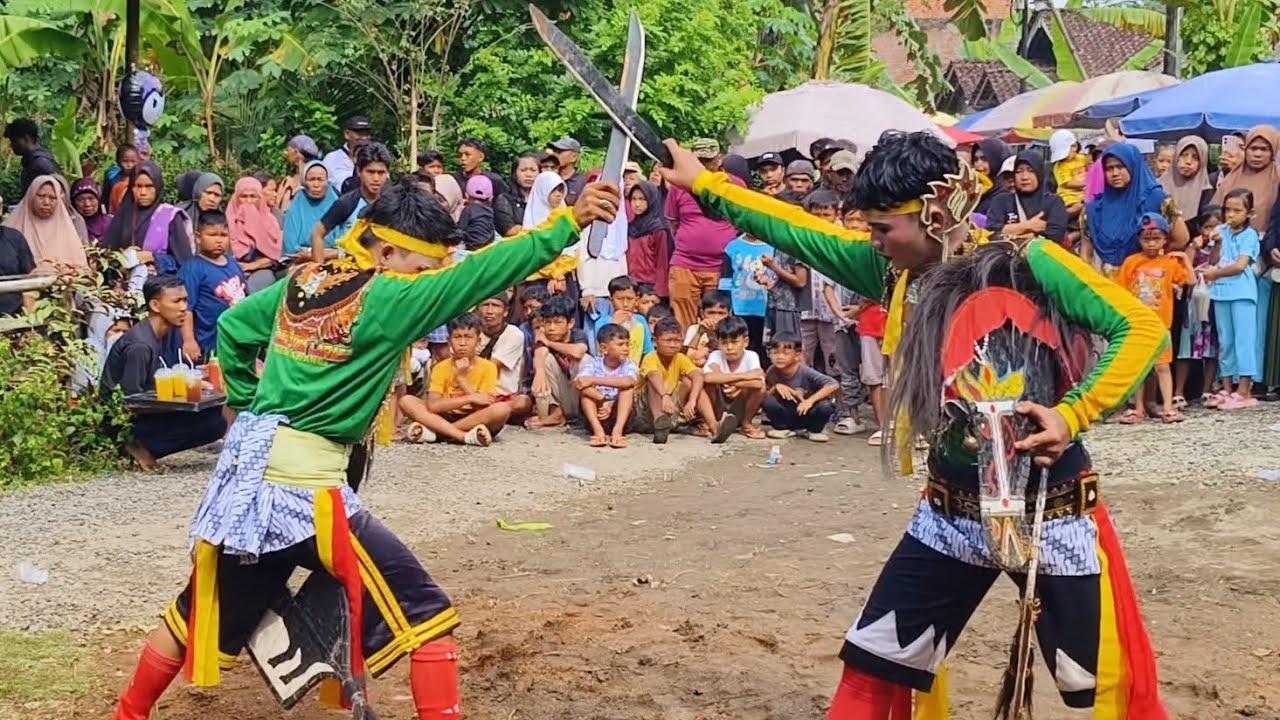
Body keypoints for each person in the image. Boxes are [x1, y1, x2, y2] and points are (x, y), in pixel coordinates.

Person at [658, 130, 1169, 718]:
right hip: (950, 514)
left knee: (1101, 688)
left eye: (883, 228)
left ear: (936, 211)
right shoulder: (892, 273)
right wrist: (706, 184)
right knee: (876, 669)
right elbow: (798, 230)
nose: (872, 243)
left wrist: (1072, 411)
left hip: (1049, 512)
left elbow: (1140, 327)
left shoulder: (1029, 263)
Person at [109, 175, 621, 720]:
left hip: (253, 488)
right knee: (424, 613)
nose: (425, 282)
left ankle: (126, 715)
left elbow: (234, 327)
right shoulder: (388, 297)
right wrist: (567, 223)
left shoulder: (304, 279)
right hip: (310, 497)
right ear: (389, 250)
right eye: (421, 269)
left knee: (194, 612)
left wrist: (251, 400)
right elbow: (479, 275)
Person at [98, 275, 228, 470]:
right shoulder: (140, 346)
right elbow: (129, 402)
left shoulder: (163, 333)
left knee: (216, 413)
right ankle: (135, 448)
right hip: (123, 423)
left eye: (185, 300)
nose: (183, 307)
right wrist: (181, 399)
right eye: (176, 301)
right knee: (213, 424)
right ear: (155, 306)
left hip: (145, 411)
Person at [1210, 126, 1280, 397]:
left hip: (1262, 262)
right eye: (1253, 148)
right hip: (1230, 259)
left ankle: (1254, 381)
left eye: (1265, 149)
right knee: (1229, 330)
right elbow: (1216, 213)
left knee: (1256, 325)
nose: (1258, 154)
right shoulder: (1231, 179)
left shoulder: (1276, 179)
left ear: (1273, 152)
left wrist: (1271, 245)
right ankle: (1230, 382)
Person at [1114, 213, 1193, 423]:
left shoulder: (1169, 263)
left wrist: (1185, 258)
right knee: (1140, 369)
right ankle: (1138, 408)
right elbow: (1120, 292)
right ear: (1139, 239)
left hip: (1161, 325)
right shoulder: (1131, 262)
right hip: (1138, 325)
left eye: (1156, 238)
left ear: (1165, 239)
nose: (1151, 243)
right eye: (1146, 239)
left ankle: (1168, 408)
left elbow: (1190, 281)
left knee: (1163, 367)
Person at [666, 139, 744, 328]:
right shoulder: (679, 185)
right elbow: (672, 222)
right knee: (682, 322)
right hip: (685, 264)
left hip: (720, 267)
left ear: (719, 160)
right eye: (699, 161)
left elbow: (742, 221)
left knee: (719, 323)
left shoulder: (735, 185)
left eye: (708, 161)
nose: (704, 166)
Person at [401, 313, 511, 446]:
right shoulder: (441, 367)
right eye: (457, 337)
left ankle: (439, 433)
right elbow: (434, 406)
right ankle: (461, 436)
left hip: (475, 417)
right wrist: (468, 398)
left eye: (468, 337)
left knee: (502, 409)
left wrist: (462, 379)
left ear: (478, 341)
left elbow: (483, 404)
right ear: (449, 341)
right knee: (406, 401)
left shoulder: (488, 367)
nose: (463, 343)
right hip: (444, 415)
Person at [1083, 143, 1189, 275]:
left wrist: (1153, 253)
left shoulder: (1156, 199)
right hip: (1105, 286)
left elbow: (1182, 238)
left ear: (1133, 166)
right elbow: (1085, 255)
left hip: (1145, 283)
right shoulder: (1094, 209)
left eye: (1121, 166)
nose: (1115, 173)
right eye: (1109, 168)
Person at [1204, 188, 1261, 409]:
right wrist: (1217, 242)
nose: (1231, 215)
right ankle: (1227, 387)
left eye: (1238, 210)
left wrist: (1214, 274)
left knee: (1243, 340)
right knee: (1226, 340)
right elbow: (1214, 258)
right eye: (1228, 209)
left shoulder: (1250, 235)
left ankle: (1244, 389)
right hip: (1221, 292)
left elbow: (1239, 265)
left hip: (1242, 292)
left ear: (1249, 213)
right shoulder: (1221, 230)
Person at [176, 209, 247, 362]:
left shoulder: (233, 264)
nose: (219, 240)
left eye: (223, 235)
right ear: (198, 237)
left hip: (236, 339)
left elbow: (246, 299)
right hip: (207, 343)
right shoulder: (193, 269)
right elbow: (186, 309)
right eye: (212, 235)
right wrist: (189, 340)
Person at [102, 162, 194, 276]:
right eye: (138, 186)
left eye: (149, 186)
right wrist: (120, 264)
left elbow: (185, 263)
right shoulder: (123, 216)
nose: (143, 193)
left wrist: (151, 257)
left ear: (158, 187)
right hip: (122, 288)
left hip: (160, 287)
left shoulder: (169, 217)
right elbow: (105, 256)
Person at [636, 316, 716, 443]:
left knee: (693, 382)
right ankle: (659, 425)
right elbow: (653, 375)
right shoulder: (650, 358)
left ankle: (715, 428)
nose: (673, 345)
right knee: (652, 384)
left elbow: (698, 375)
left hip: (670, 409)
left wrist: (692, 400)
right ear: (655, 341)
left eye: (677, 341)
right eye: (668, 340)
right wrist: (664, 395)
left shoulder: (680, 358)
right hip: (644, 413)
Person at [1174, 205, 1222, 406]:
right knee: (1186, 346)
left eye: (1216, 227)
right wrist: (1193, 247)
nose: (1211, 232)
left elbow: (1215, 261)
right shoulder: (1193, 247)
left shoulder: (1223, 246)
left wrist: (1218, 244)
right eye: (1207, 227)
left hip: (1213, 299)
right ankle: (1179, 391)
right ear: (1200, 229)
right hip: (1193, 301)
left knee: (1212, 346)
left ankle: (1207, 389)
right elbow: (1186, 270)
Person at [311, 142, 392, 260]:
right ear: (359, 171)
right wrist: (318, 268)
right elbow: (317, 233)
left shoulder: (393, 202)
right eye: (370, 172)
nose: (376, 178)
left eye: (381, 173)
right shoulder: (347, 202)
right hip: (350, 269)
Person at [3, 175, 89, 273]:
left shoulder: (68, 231)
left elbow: (83, 271)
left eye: (53, 198)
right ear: (31, 196)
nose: (46, 202)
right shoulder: (9, 231)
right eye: (41, 196)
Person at [763, 332, 838, 442]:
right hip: (787, 412)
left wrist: (810, 401)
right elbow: (764, 398)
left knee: (826, 406)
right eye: (775, 353)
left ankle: (813, 430)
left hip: (807, 412)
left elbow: (833, 384)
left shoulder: (805, 371)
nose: (779, 357)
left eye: (785, 353)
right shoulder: (771, 371)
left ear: (797, 356)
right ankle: (782, 428)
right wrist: (775, 388)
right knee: (770, 403)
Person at [528, 295, 589, 429]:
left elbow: (577, 352)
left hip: (579, 396)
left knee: (584, 360)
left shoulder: (578, 335)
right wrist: (539, 373)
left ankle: (582, 414)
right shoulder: (542, 335)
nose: (551, 328)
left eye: (557, 322)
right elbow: (540, 352)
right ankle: (554, 413)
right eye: (548, 322)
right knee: (544, 360)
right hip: (561, 397)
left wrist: (549, 342)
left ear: (570, 323)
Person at [701, 314, 766, 441]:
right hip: (719, 405)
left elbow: (759, 384)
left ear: (745, 342)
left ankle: (746, 423)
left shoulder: (751, 356)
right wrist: (745, 377)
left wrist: (731, 382)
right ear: (718, 344)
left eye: (734, 342)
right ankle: (713, 423)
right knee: (705, 386)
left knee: (761, 389)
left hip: (739, 405)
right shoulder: (715, 355)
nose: (729, 348)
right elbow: (708, 378)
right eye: (724, 343)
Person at [576, 323, 638, 449]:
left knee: (627, 389)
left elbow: (629, 382)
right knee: (585, 392)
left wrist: (594, 380)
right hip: (597, 412)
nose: (626, 348)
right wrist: (603, 399)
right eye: (620, 344)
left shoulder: (629, 365)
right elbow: (580, 382)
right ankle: (598, 431)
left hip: (619, 415)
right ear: (604, 348)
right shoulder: (594, 363)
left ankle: (617, 432)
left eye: (627, 344)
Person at [987, 152, 1069, 245]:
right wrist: (1028, 226)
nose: (1024, 177)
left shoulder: (1053, 202)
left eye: (1031, 171)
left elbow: (1055, 237)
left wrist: (1010, 232)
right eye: (1019, 171)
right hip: (1005, 257)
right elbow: (991, 233)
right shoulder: (1001, 201)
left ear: (1039, 173)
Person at [476, 294, 532, 420]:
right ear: (478, 309)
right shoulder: (471, 331)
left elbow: (491, 367)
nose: (489, 311)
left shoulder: (514, 334)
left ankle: (489, 414)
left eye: (495, 306)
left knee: (522, 402)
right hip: (473, 392)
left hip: (502, 396)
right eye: (485, 305)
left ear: (505, 312)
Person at [226, 177, 284, 294]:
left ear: (260, 198)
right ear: (236, 198)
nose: (248, 201)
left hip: (262, 269)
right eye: (244, 196)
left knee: (260, 284)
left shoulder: (270, 221)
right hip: (229, 268)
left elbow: (275, 256)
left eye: (253, 196)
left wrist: (252, 266)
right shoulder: (226, 221)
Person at [626, 181, 672, 301]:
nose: (637, 204)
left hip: (651, 287)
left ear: (651, 200)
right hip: (631, 284)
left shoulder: (658, 229)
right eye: (634, 199)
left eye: (642, 199)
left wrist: (660, 292)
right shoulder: (629, 227)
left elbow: (662, 263)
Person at [1160, 136, 1215, 235]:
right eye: (1184, 155)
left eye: (1195, 157)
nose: (1188, 161)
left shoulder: (1207, 193)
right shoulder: (1158, 186)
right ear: (1176, 157)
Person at [592, 275, 653, 363]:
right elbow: (599, 352)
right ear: (611, 300)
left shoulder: (640, 321)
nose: (625, 304)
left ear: (637, 300)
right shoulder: (602, 323)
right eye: (620, 299)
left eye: (630, 299)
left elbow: (648, 351)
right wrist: (613, 325)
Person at [283, 161, 338, 256]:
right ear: (304, 183)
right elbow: (290, 246)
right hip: (301, 261)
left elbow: (345, 245)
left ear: (327, 182)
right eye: (312, 179)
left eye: (320, 180)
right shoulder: (297, 204)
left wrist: (322, 254)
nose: (316, 185)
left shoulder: (338, 203)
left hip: (334, 260)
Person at [4, 118, 60, 198]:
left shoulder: (41, 164)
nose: (12, 145)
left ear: (26, 139)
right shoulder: (32, 161)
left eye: (14, 141)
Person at [322, 115, 372, 192]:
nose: (364, 138)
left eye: (366, 134)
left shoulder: (375, 158)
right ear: (347, 134)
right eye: (360, 133)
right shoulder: (331, 158)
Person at [495, 153, 540, 237]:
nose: (529, 175)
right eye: (523, 170)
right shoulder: (504, 199)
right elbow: (508, 230)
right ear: (515, 173)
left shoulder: (545, 199)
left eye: (533, 170)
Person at [684, 290, 731, 368]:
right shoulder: (694, 329)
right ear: (702, 313)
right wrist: (699, 333)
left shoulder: (732, 330)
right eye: (711, 313)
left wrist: (712, 336)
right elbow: (686, 356)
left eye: (721, 313)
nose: (716, 318)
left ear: (729, 314)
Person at [0, 218, 35, 316]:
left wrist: (30, 324)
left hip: (13, 315)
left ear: (0, 209)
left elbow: (28, 280)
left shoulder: (15, 238)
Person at [278, 135, 321, 212]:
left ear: (296, 152)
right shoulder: (320, 180)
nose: (286, 154)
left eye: (287, 151)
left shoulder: (289, 182)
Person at [972, 139, 1011, 216]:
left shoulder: (1006, 191)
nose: (978, 165)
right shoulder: (974, 187)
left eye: (984, 159)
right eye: (975, 159)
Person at [71, 178, 114, 246]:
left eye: (91, 198)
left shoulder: (112, 222)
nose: (87, 204)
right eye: (81, 200)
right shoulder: (71, 225)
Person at [458, 175, 496, 250]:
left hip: (472, 247)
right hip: (488, 247)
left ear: (466, 196)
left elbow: (461, 229)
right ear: (491, 198)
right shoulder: (490, 211)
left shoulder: (468, 210)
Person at [547, 136, 587, 205]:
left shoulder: (583, 182)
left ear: (574, 157)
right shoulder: (549, 177)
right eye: (554, 151)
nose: (554, 155)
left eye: (559, 152)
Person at [103, 143, 140, 213]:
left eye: (133, 161)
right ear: (117, 162)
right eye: (125, 161)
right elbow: (105, 200)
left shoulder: (141, 180)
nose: (129, 165)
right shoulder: (112, 179)